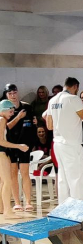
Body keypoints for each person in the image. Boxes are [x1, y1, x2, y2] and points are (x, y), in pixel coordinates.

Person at [46, 77, 83, 204]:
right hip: (72, 143)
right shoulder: (73, 99)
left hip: (58, 143)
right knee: (76, 177)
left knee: (63, 178)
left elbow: (49, 126)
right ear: (75, 86)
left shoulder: (52, 100)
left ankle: (64, 207)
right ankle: (78, 208)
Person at [2, 84, 36, 213]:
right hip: (10, 145)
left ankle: (28, 201)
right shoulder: (4, 108)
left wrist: (32, 143)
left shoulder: (26, 107)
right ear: (6, 95)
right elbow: (6, 127)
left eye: (14, 92)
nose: (13, 95)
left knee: (25, 173)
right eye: (10, 93)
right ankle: (17, 202)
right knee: (13, 174)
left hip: (24, 145)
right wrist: (18, 117)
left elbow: (32, 125)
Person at [0, 100, 30, 219]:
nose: (12, 114)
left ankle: (2, 208)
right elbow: (1, 141)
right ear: (4, 110)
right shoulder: (1, 120)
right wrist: (19, 146)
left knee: (2, 182)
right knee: (7, 182)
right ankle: (7, 210)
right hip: (1, 153)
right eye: (10, 111)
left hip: (2, 153)